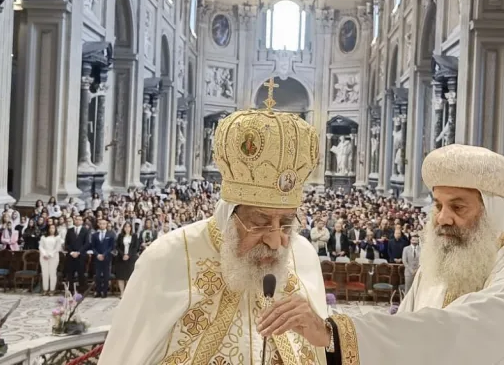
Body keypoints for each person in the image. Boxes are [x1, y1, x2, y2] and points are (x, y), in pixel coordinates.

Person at [257, 144, 504, 365]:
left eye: (458, 206)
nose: (442, 218)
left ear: (493, 213)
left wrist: (332, 332)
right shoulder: (441, 267)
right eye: (438, 205)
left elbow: (448, 333)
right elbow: (407, 333)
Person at [100, 105, 327, 364]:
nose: (276, 242)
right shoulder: (168, 258)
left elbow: (323, 351)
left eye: (286, 222)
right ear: (229, 215)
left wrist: (322, 330)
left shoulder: (304, 254)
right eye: (260, 222)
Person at [64, 215, 91, 293]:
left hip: (81, 255)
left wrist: (78, 252)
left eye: (80, 220)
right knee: (70, 274)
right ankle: (70, 290)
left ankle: (82, 290)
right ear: (74, 220)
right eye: (77, 219)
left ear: (82, 221)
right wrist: (72, 252)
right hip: (71, 255)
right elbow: (67, 244)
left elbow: (87, 243)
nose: (78, 221)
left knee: (81, 274)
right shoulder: (70, 230)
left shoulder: (85, 230)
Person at [91, 219, 115, 298]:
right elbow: (93, 247)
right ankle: (98, 291)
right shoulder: (94, 235)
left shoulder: (110, 234)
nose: (102, 225)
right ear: (98, 224)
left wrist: (104, 254)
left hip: (106, 257)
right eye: (101, 224)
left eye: (104, 224)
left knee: (106, 275)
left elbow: (111, 247)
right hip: (97, 258)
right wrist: (97, 254)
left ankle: (104, 292)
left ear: (106, 225)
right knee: (97, 276)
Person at [115, 222, 139, 296]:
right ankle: (122, 292)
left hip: (131, 258)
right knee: (121, 276)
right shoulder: (120, 236)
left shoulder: (134, 236)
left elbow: (136, 247)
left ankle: (127, 293)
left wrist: (128, 255)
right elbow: (117, 246)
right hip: (121, 258)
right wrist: (123, 254)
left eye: (129, 227)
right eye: (125, 227)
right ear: (123, 228)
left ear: (131, 228)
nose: (127, 228)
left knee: (129, 276)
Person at [39, 224, 62, 295]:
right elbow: (41, 247)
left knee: (52, 273)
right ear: (48, 229)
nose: (52, 229)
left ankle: (52, 290)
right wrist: (45, 254)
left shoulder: (57, 237)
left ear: (55, 229)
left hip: (54, 257)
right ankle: (45, 289)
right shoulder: (43, 237)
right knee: (45, 273)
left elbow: (57, 248)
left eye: (53, 228)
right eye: (50, 228)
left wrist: (50, 255)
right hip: (44, 257)